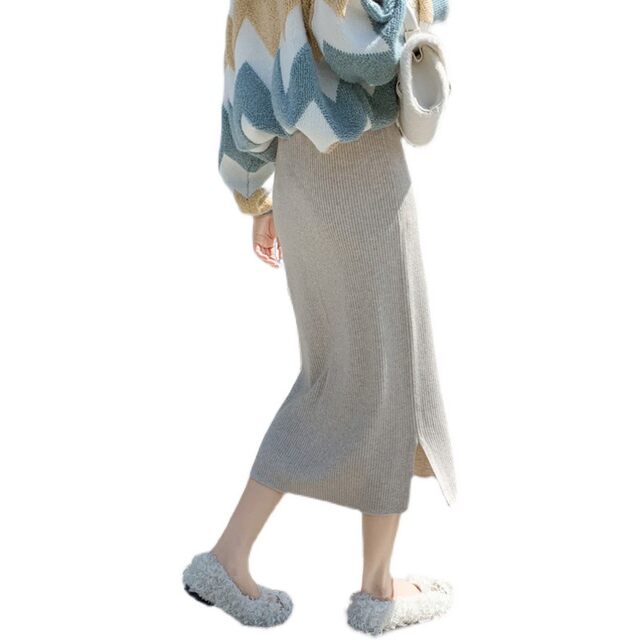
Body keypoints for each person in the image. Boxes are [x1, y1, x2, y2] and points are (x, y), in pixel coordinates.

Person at [183, 0, 457, 634]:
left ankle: (235, 556)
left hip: (299, 179)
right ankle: (375, 589)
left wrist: (256, 199)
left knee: (334, 374)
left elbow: (243, 78)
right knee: (388, 373)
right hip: (360, 174)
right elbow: (362, 50)